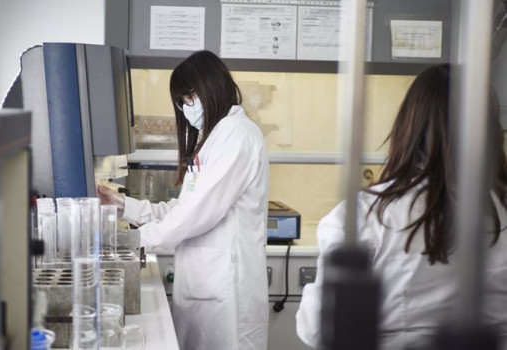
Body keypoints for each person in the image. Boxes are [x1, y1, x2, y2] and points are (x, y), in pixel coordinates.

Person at [296, 64, 507, 349]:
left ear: (409, 128)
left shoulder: (364, 215)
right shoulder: (500, 210)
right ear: (491, 132)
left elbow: (317, 330)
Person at [98, 50, 270, 350]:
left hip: (227, 294)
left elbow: (192, 216)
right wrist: (124, 206)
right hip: (206, 286)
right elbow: (183, 207)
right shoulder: (215, 136)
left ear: (213, 85)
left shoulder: (236, 134)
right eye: (181, 101)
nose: (186, 107)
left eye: (190, 96)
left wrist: (126, 244)